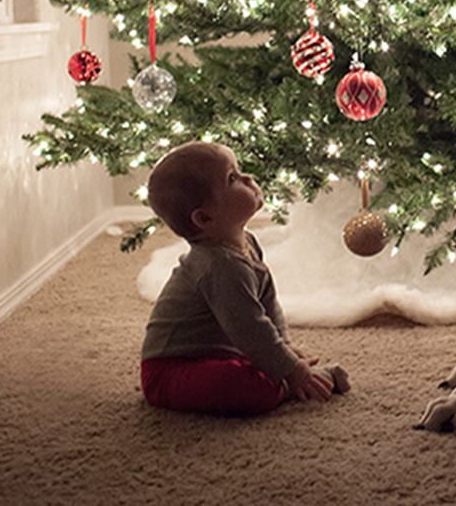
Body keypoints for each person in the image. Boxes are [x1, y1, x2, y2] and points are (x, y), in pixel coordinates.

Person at [140, 140, 350, 415]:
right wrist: (294, 371)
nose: (248, 178)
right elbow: (249, 327)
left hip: (222, 352)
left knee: (262, 360)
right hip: (171, 372)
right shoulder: (219, 265)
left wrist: (285, 347)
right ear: (204, 218)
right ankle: (290, 386)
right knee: (241, 386)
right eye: (232, 178)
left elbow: (266, 301)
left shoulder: (247, 242)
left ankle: (282, 375)